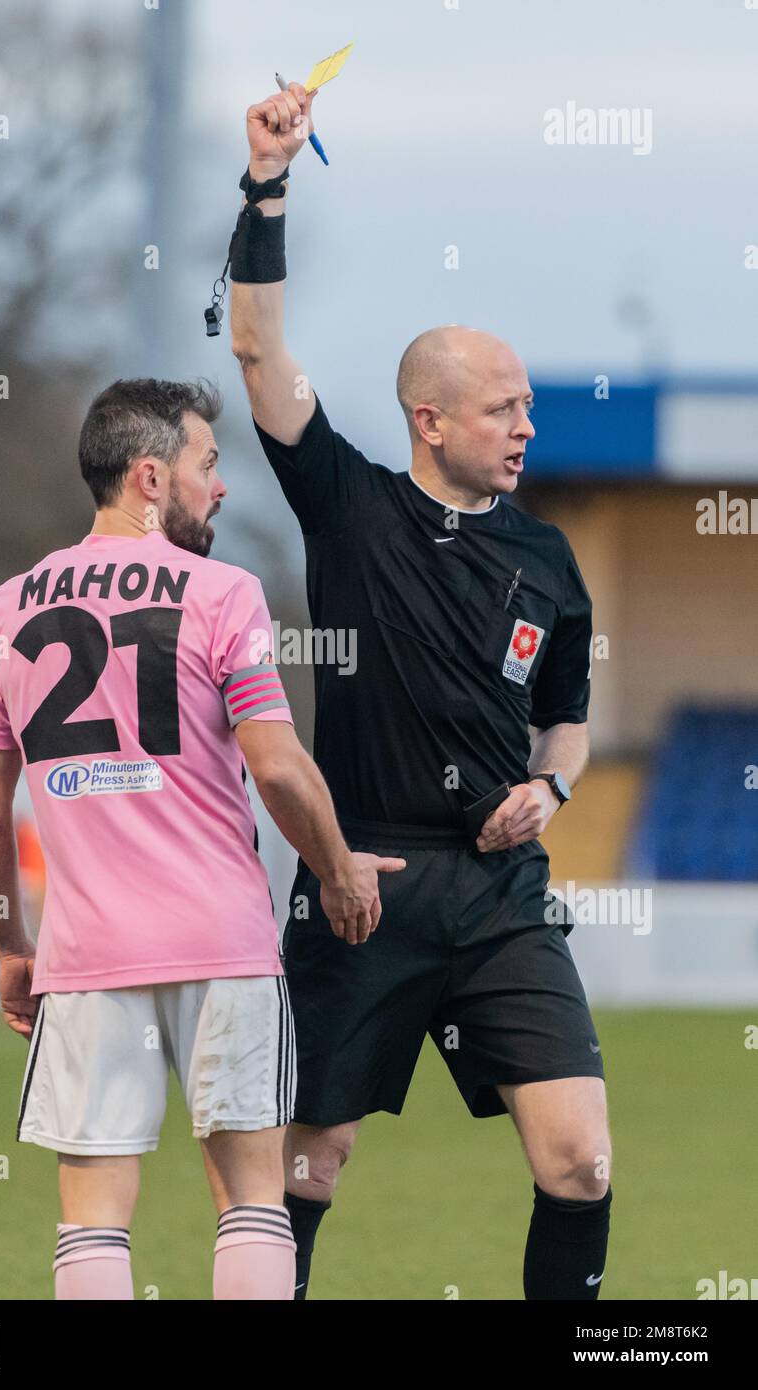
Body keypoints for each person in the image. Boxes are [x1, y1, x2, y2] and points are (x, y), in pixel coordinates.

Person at [228, 82, 613, 1301]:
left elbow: (570, 718)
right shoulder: (348, 504)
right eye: (504, 409)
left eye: (530, 407)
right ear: (427, 416)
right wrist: (267, 183)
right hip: (366, 881)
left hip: (502, 890)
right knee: (310, 1161)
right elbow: (256, 348)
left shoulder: (547, 559)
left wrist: (551, 785)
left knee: (582, 1163)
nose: (526, 428)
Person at [0, 377, 403, 1300]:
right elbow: (277, 766)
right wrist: (338, 871)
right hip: (222, 943)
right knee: (249, 1201)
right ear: (151, 478)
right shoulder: (223, 593)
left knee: (91, 1219)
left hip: (85, 956)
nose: (222, 485)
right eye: (209, 464)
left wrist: (10, 946)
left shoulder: (8, 607)